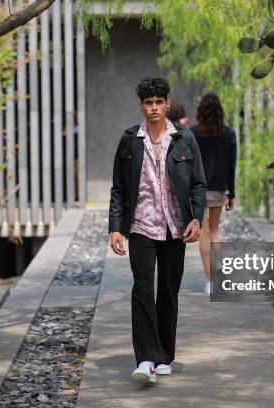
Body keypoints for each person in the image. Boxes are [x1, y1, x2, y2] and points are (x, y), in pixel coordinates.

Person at [108, 76, 207, 385]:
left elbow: (198, 185)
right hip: (141, 226)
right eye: (148, 103)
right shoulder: (129, 140)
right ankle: (146, 358)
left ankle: (164, 356)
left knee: (167, 291)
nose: (153, 108)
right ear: (142, 106)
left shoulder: (185, 139)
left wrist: (197, 219)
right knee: (141, 289)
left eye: (158, 103)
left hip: (175, 227)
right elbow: (118, 188)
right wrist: (115, 228)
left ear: (166, 104)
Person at [189, 92, 237, 295]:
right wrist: (231, 192)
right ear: (220, 111)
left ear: (200, 111)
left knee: (204, 234)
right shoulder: (228, 133)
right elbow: (231, 165)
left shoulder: (192, 133)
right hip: (218, 188)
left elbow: (188, 163)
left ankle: (210, 281)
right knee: (215, 232)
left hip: (197, 189)